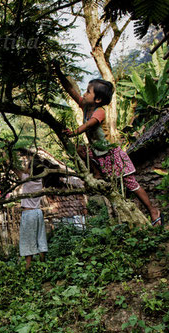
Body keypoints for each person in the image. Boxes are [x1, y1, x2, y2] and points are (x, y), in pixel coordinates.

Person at [54, 64, 162, 226]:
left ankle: (153, 210)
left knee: (131, 184)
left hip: (111, 154)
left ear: (98, 99)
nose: (84, 93)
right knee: (80, 151)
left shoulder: (100, 111)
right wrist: (59, 74)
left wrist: (74, 132)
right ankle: (96, 173)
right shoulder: (85, 106)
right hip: (97, 154)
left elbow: (90, 124)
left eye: (88, 92)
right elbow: (71, 91)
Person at [11, 153, 48, 269]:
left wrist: (7, 160)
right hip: (38, 213)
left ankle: (28, 267)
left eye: (27, 165)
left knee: (28, 240)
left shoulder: (27, 179)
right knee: (40, 237)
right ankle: (43, 264)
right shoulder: (40, 180)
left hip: (29, 214)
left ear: (30, 170)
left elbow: (15, 169)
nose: (25, 166)